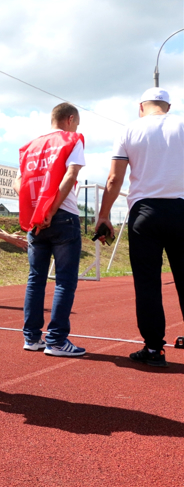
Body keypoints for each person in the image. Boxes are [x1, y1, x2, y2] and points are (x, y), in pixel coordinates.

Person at [96, 87, 184, 368]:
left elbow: (113, 179)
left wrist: (104, 216)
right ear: (168, 107)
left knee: (147, 282)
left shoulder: (128, 131)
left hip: (144, 213)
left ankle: (154, 349)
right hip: (181, 209)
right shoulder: (182, 124)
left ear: (141, 106)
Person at [15, 102, 86, 357]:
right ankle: (56, 341)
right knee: (65, 281)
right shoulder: (72, 139)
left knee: (36, 279)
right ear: (70, 119)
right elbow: (70, 175)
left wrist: (37, 212)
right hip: (62, 216)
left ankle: (32, 338)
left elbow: (19, 182)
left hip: (35, 220)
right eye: (76, 122)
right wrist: (52, 210)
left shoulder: (31, 146)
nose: (77, 127)